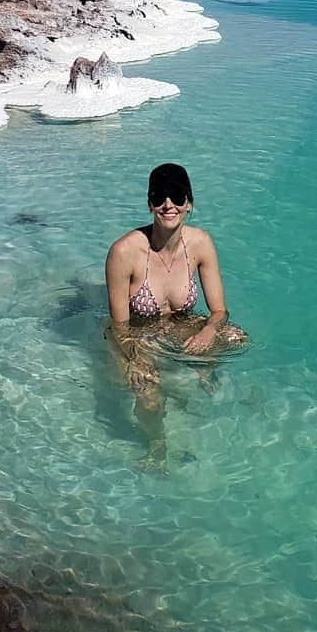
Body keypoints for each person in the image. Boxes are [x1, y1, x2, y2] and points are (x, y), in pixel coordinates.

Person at [104, 163, 247, 468]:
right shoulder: (124, 252)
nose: (168, 204)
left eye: (177, 195)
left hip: (180, 326)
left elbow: (219, 311)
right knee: (149, 394)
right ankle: (156, 444)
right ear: (149, 203)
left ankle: (204, 371)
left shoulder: (200, 243)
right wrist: (136, 357)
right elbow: (119, 326)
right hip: (137, 335)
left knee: (236, 336)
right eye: (159, 196)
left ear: (189, 202)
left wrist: (208, 333)